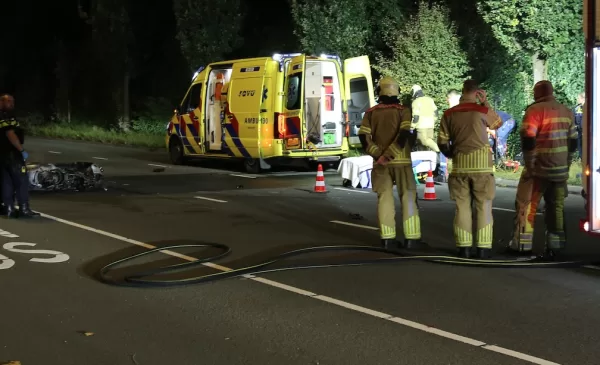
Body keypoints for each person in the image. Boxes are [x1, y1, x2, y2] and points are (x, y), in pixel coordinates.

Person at [507, 81, 577, 258]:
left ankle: (522, 246)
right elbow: (573, 142)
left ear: (536, 93)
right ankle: (555, 248)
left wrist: (530, 165)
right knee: (556, 209)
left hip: (538, 170)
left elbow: (529, 139)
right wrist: (567, 164)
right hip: (559, 171)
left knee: (526, 206)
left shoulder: (534, 111)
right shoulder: (566, 111)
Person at [437, 80, 503, 258]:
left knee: (462, 207)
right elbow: (497, 124)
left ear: (462, 92)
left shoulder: (449, 113)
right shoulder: (482, 110)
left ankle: (464, 248)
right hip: (482, 168)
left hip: (460, 168)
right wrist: (485, 103)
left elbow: (442, 142)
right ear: (477, 93)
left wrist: (453, 154)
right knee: (484, 206)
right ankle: (483, 249)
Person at [359, 77, 421, 250]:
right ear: (397, 91)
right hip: (401, 161)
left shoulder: (371, 112)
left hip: (380, 164)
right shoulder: (404, 111)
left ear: (380, 91)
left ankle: (387, 239)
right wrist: (390, 155)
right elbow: (404, 136)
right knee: (408, 197)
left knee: (384, 199)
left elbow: (364, 137)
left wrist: (379, 155)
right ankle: (412, 239)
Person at [0, 94, 39, 218]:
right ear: (2, 102)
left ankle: (9, 208)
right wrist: (21, 150)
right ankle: (24, 208)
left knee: (7, 182)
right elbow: (10, 133)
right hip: (12, 153)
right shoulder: (6, 116)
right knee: (21, 180)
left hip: (2, 154)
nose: (12, 104)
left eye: (13, 101)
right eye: (9, 101)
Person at [411, 85, 446, 182]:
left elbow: (416, 117)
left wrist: (412, 126)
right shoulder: (430, 100)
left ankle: (438, 152)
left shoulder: (416, 102)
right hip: (431, 126)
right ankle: (427, 171)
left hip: (421, 127)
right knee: (427, 148)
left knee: (424, 145)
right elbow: (436, 113)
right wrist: (433, 121)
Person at [573, 92, 584, 159]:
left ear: (583, 98)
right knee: (581, 150)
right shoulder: (576, 109)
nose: (577, 99)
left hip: (589, 134)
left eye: (579, 98)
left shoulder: (591, 107)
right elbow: (573, 119)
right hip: (579, 132)